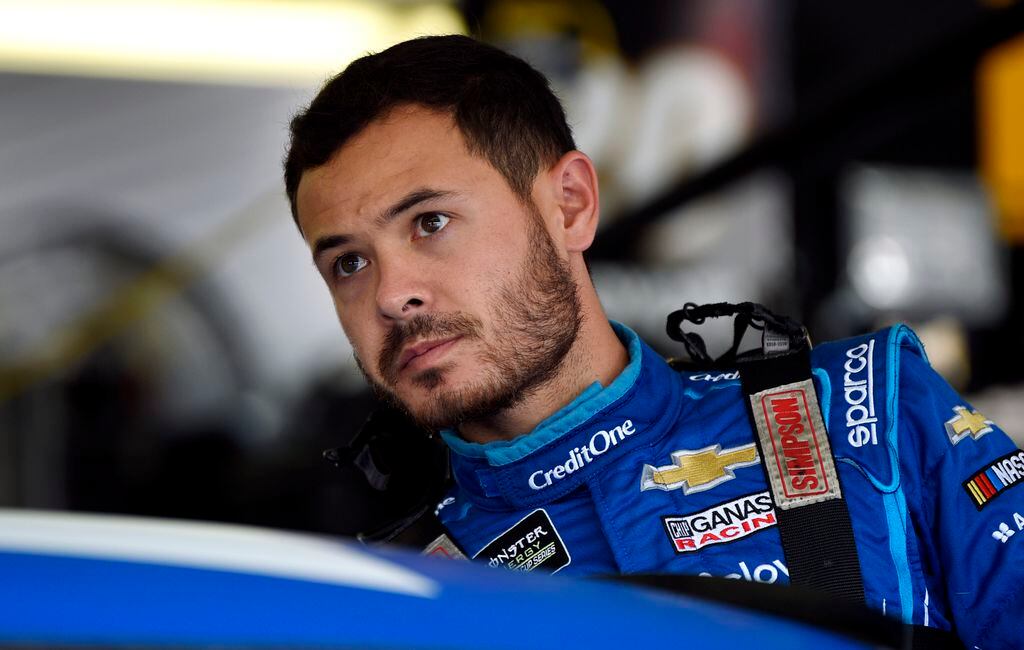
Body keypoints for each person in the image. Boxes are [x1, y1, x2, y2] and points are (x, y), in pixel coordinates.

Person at [284, 35, 1023, 648]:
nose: (390, 294)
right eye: (348, 263)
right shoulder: (388, 601)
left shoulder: (864, 409)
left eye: (430, 223)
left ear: (570, 205)